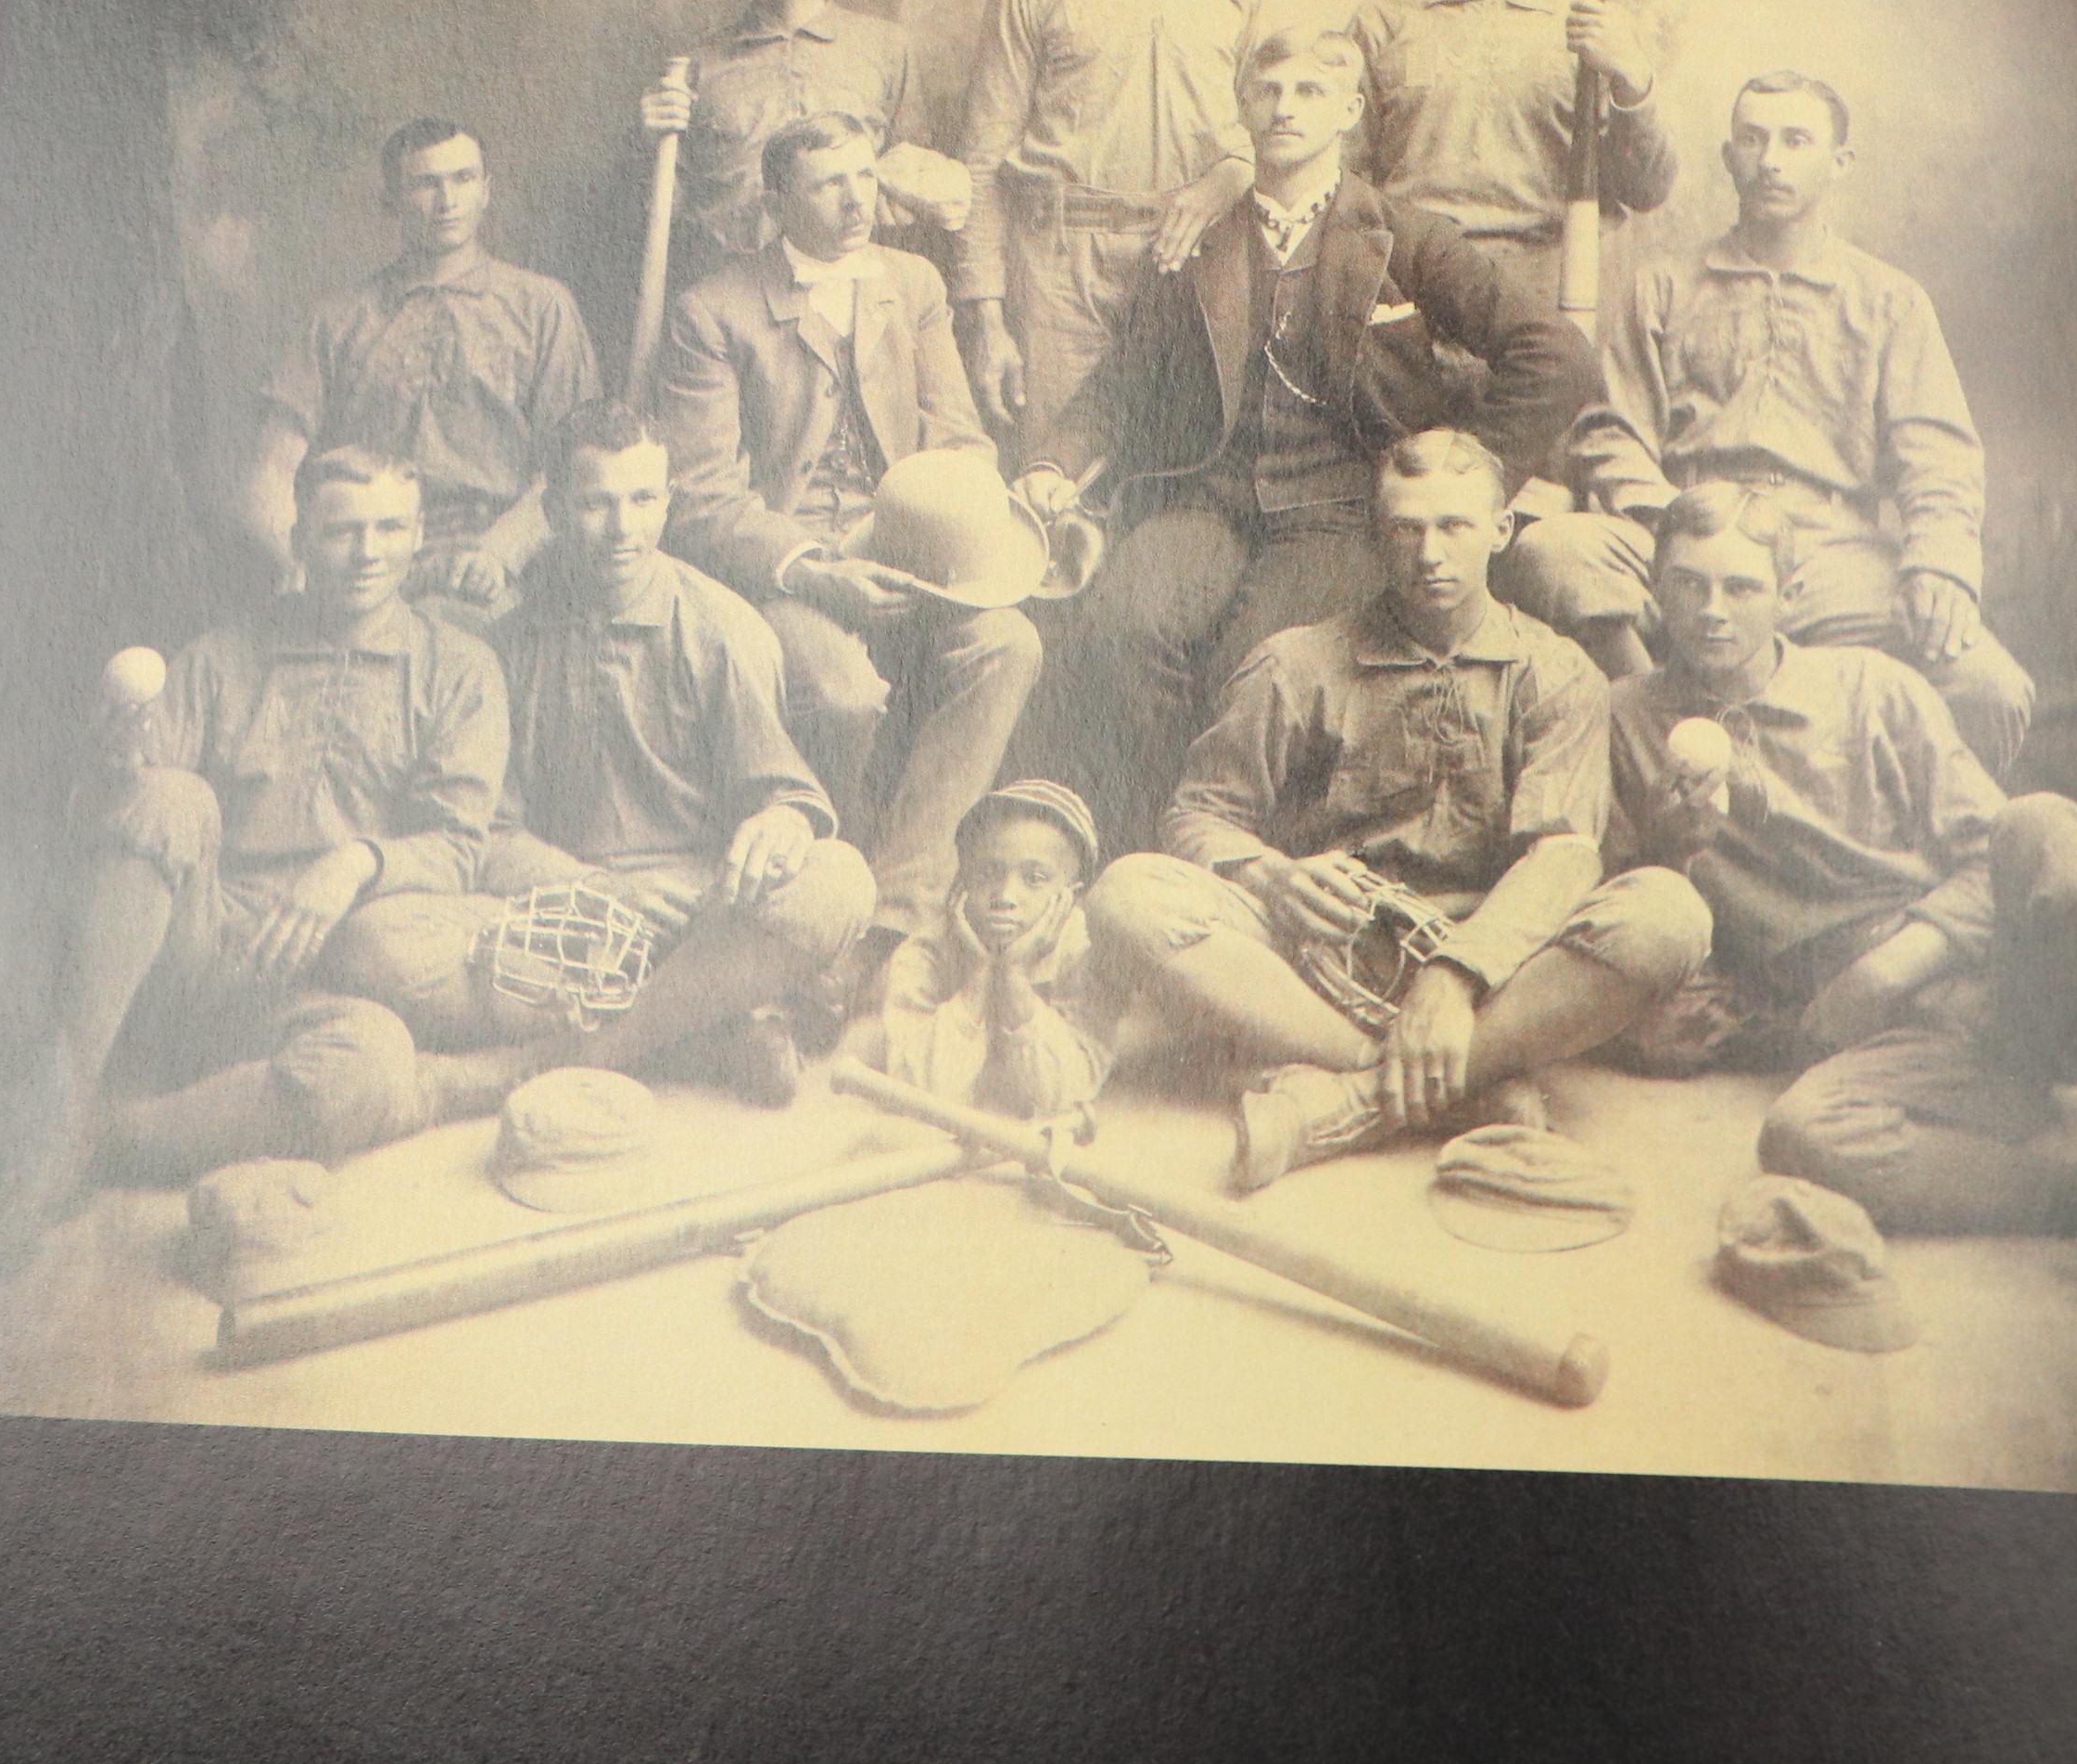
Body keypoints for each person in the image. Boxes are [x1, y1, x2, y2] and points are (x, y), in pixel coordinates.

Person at [1605, 482, 2077, 1383]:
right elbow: (1614, 905)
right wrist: (1644, 1009)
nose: (1712, 613)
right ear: (1656, 587)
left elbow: (1991, 854)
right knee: (1804, 1136)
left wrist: (1902, 959)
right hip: (1892, 1053)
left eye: (1740, 586)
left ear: (1789, 593)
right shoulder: (1627, 719)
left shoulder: (1873, 690)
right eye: (1688, 585)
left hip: (2009, 995)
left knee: (2042, 823)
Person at [1016, 27, 1596, 852]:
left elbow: (1558, 356)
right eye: (1270, 91)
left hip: (1342, 506)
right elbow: (1121, 382)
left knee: (1258, 665)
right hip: (1209, 495)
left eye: (1311, 93)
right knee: (1122, 625)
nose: (1287, 108)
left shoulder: (1405, 234)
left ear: (1349, 111)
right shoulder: (1196, 237)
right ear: (1243, 108)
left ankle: (1243, 861)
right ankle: (1141, 848)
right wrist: (1054, 463)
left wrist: (1470, 476)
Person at [1088, 430, 1711, 1192]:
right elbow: (1197, 816)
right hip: (1320, 959)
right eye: (1405, 529)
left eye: (1454, 527)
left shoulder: (1556, 673)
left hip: (1492, 967)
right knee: (1128, 895)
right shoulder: (1298, 662)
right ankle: (1454, 1083)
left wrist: (1454, 979)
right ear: (1374, 534)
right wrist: (1272, 875)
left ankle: (1350, 1101)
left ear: (1501, 531)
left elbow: (1563, 856)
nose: (1430, 555)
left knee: (1669, 915)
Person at [322, 401, 877, 1105]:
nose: (623, 530)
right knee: (372, 943)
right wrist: (600, 893)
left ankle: (550, 1063)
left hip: (695, 913)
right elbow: (488, 834)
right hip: (558, 916)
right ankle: (704, 1033)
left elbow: (785, 796)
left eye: (643, 500)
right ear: (552, 509)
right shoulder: (504, 640)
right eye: (596, 504)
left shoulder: (722, 629)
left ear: (669, 503)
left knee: (838, 881)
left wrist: (783, 824)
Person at [1508, 72, 2035, 774]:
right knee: (1555, 553)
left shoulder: (1889, 301)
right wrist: (1677, 520)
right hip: (1684, 529)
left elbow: (1937, 456)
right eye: (1753, 140)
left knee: (1989, 687)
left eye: (1795, 141)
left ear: (1839, 163)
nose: (1772, 160)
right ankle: (1661, 734)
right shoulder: (1665, 286)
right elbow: (1611, 434)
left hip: (1829, 552)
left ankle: (1926, 848)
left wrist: (1940, 564)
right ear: (1729, 158)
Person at [32, 449, 510, 1192]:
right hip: (197, 947)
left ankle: (115, 1136)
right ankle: (61, 1110)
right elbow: (127, 817)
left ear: (420, 537)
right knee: (169, 798)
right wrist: (115, 765)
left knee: (371, 1064)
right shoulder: (221, 658)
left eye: (389, 528)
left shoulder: (461, 669)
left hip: (319, 977)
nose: (367, 553)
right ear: (299, 540)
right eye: (343, 531)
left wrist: (354, 863)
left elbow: (459, 848)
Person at [651, 111, 1043, 953]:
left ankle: (900, 906)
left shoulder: (913, 283)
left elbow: (961, 436)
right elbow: (699, 498)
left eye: (866, 177)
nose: (856, 200)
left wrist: (944, 527)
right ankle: (828, 890)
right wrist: (816, 569)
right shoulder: (709, 312)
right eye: (829, 184)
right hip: (784, 563)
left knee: (1007, 644)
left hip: (908, 550)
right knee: (842, 694)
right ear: (775, 198)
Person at [958, 0, 1264, 432]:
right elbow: (982, 161)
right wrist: (986, 321)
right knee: (1056, 482)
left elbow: (1283, 122)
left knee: (1183, 482)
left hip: (1200, 260)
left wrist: (1231, 174)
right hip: (1063, 272)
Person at [245, 119, 600, 628]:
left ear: (487, 191)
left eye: (463, 179)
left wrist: (501, 553)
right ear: (390, 200)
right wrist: (294, 560)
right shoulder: (340, 320)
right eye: (425, 184)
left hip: (494, 560)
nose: (447, 200)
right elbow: (272, 470)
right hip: (363, 555)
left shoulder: (541, 307)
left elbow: (573, 467)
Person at [1346, 0, 1678, 316]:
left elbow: (1647, 190)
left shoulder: (1599, 27)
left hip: (1553, 289)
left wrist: (1630, 76)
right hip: (1409, 284)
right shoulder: (1386, 22)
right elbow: (1342, 179)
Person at [630, 0, 969, 276]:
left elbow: (916, 179)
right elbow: (669, 208)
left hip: (855, 292)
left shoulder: (886, 48)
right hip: (737, 298)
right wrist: (648, 144)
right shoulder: (697, 68)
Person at [859, 779, 1117, 1118]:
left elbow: (1063, 1095)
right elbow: (922, 1092)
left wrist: (1015, 978)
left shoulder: (1082, 954)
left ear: (1069, 898)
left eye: (1034, 879)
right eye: (988, 873)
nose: (1005, 896)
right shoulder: (926, 952)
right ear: (961, 886)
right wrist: (977, 976)